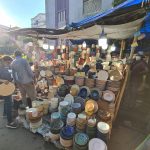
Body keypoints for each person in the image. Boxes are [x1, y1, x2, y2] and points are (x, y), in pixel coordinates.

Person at [0, 56, 17, 128]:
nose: (9, 64)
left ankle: (5, 114)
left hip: (7, 87)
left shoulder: (4, 67)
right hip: (4, 88)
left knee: (6, 101)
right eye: (8, 62)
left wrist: (11, 79)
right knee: (8, 103)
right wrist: (3, 80)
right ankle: (9, 122)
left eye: (9, 63)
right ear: (3, 61)